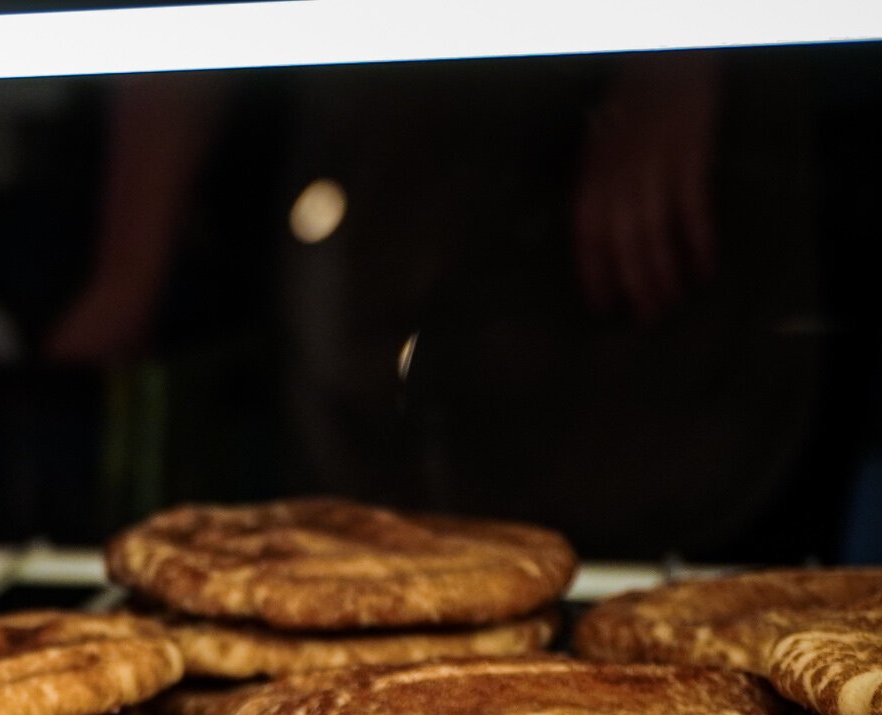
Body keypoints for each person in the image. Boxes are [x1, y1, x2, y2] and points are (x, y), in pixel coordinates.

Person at [47, 52, 829, 562]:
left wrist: (679, 50)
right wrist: (127, 272)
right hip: (377, 195)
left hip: (640, 279)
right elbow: (180, 37)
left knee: (644, 495)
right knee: (357, 547)